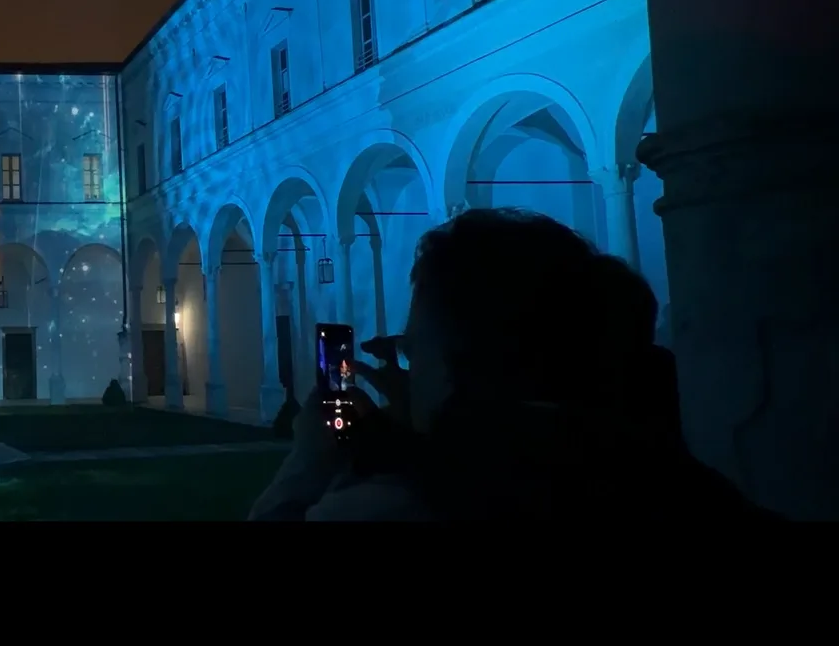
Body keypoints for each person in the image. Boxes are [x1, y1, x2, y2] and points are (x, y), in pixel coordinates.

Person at [248, 207, 771, 521]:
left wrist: (311, 459)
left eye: (416, 347)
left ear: (460, 359)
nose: (408, 365)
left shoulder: (397, 506)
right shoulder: (673, 475)